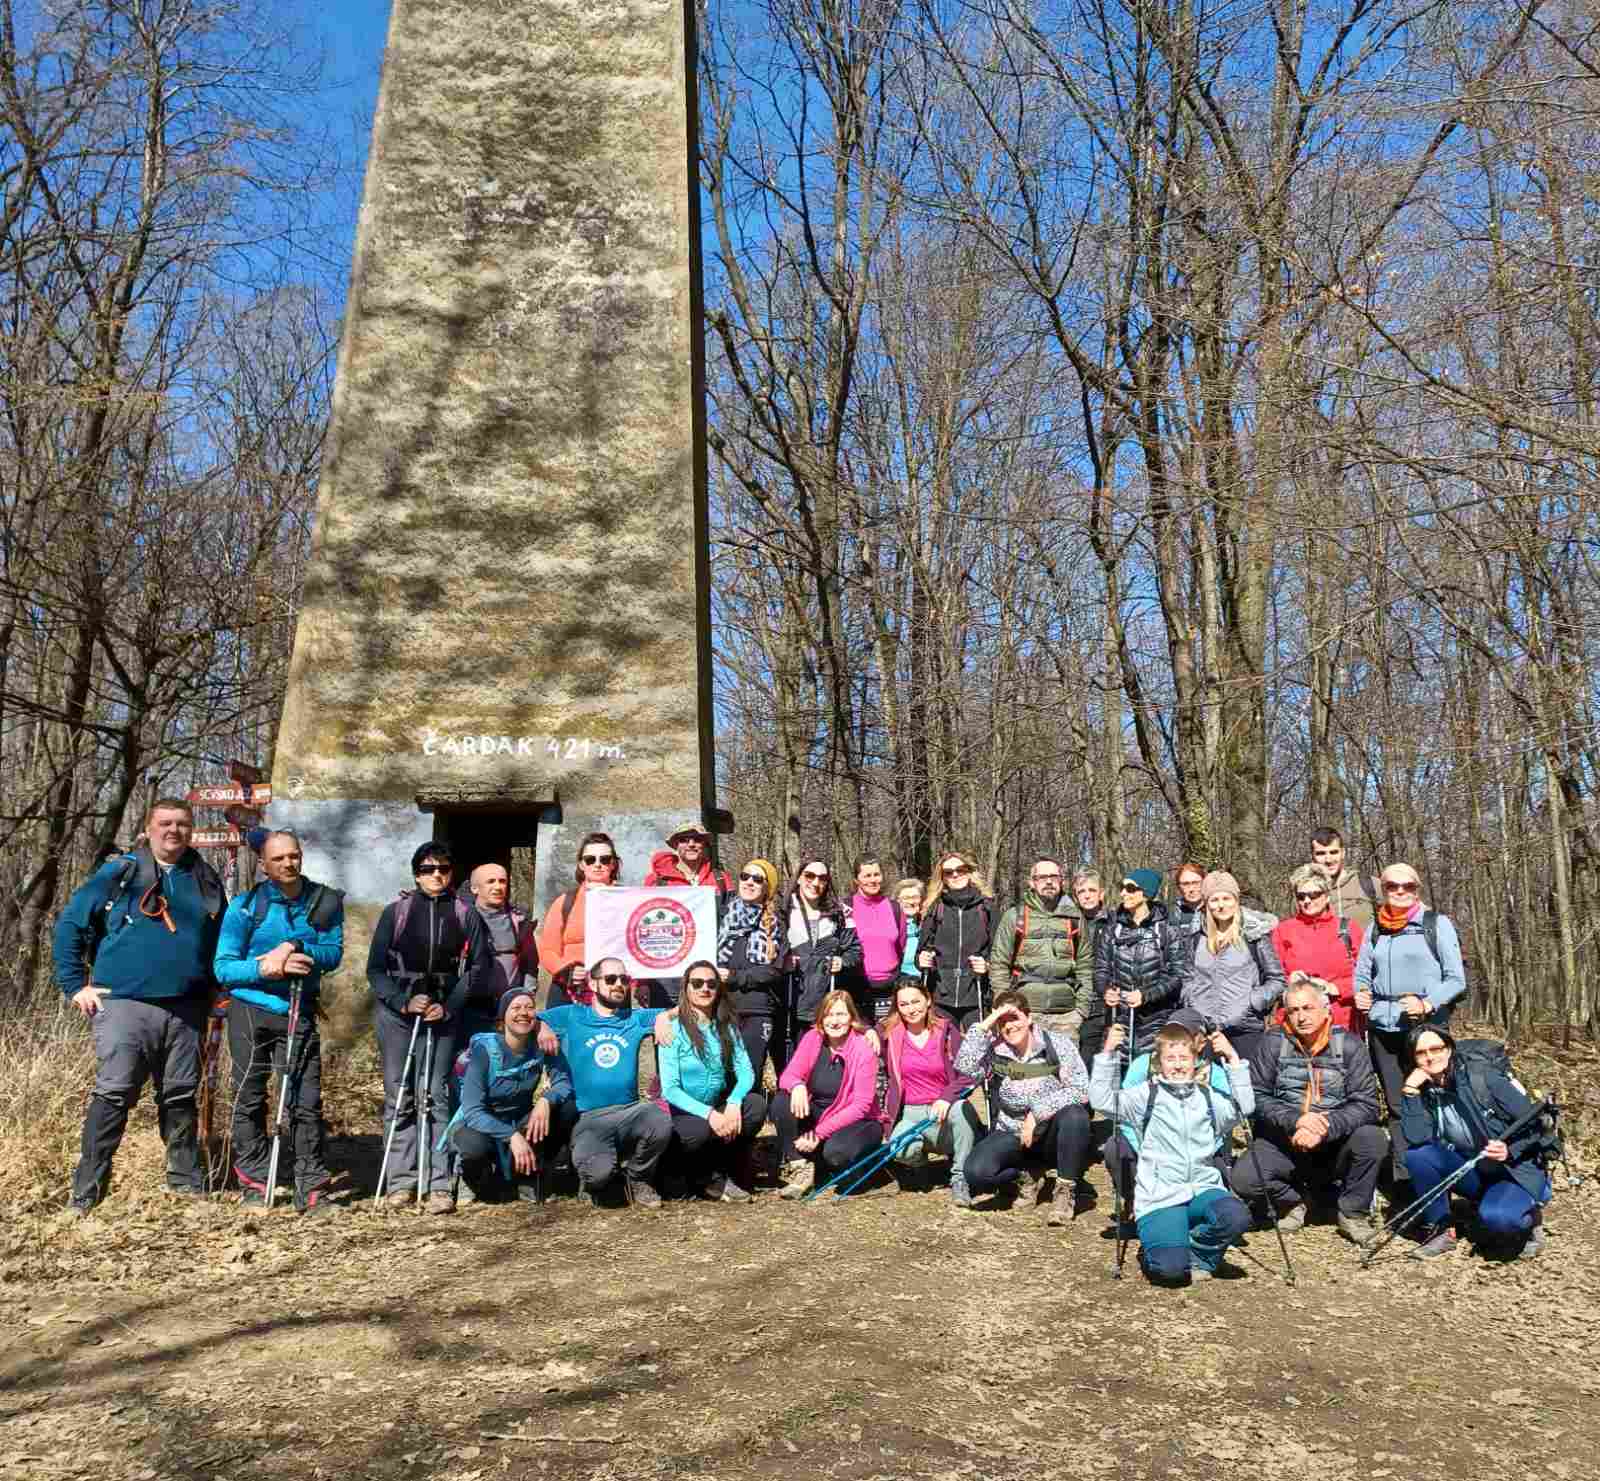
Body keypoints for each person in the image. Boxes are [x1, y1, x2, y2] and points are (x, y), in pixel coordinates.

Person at [53, 798, 228, 1216]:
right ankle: (87, 1194)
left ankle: (185, 1184)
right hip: (124, 1004)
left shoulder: (203, 877)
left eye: (182, 824)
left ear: (191, 830)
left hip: (186, 1009)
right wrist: (76, 985)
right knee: (114, 1094)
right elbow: (70, 927)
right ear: (148, 828)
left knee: (181, 1096)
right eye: (165, 823)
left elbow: (221, 939)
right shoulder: (119, 873)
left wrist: (218, 992)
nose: (174, 831)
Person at [213, 830, 345, 1213]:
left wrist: (298, 947)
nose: (289, 864)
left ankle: (312, 1187)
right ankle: (254, 1182)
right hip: (250, 1011)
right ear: (263, 865)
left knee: (306, 1102)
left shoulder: (324, 901)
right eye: (279, 859)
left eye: (294, 856)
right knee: (249, 1098)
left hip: (299, 1009)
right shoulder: (245, 906)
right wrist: (266, 968)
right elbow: (224, 968)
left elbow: (333, 953)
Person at [366, 842, 494, 1212]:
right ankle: (400, 1181)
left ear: (452, 873)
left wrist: (450, 1005)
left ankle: (439, 1183)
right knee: (400, 1095)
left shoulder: (465, 913)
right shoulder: (397, 912)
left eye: (443, 868)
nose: (435, 875)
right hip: (398, 1014)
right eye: (427, 869)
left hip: (443, 1015)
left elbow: (477, 968)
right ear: (416, 873)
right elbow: (375, 969)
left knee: (436, 1095)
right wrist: (402, 1001)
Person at [1090, 1020, 1254, 1283]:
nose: (1177, 1065)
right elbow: (1102, 1100)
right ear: (1159, 1062)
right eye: (1170, 1058)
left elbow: (1244, 1108)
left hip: (1202, 1188)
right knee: (1171, 1271)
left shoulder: (1208, 1096)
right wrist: (1108, 1054)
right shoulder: (1146, 1096)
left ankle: (1200, 1254)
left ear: (1195, 1059)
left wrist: (1233, 1058)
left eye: (1184, 1058)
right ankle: (1158, 1245)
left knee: (1236, 1216)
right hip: (1160, 1196)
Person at [1229, 976, 1385, 1242]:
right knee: (1244, 1179)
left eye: (1308, 1008)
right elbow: (1257, 1095)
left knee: (1373, 1139)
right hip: (1286, 1139)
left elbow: (1367, 1104)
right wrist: (1297, 1120)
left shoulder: (1349, 1044)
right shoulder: (1273, 1042)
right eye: (1294, 1010)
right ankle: (1292, 1202)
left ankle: (1352, 1213)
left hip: (1334, 1142)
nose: (1301, 1017)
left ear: (1326, 1010)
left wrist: (1325, 1126)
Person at [1354, 863, 1467, 1189]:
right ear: (1384, 891)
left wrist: (1427, 1004)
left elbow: (1455, 979)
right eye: (1392, 886)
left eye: (1407, 887)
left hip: (1425, 1029)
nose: (1400, 892)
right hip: (1383, 1028)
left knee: (1434, 1098)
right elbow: (1363, 974)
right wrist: (1363, 995)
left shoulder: (1435, 924)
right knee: (1398, 1104)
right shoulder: (1375, 928)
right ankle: (1407, 1181)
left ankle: (1444, 1179)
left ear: (1416, 890)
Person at [533, 957, 677, 1206]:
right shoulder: (572, 1015)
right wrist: (541, 1028)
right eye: (610, 979)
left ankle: (638, 1178)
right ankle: (598, 1173)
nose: (619, 984)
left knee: (660, 1120)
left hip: (630, 1112)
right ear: (593, 982)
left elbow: (678, 1012)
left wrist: (664, 1016)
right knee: (597, 1175)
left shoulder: (633, 1018)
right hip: (589, 1119)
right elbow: (529, 1017)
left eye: (624, 979)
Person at [1399, 1025, 1550, 1260]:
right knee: (1418, 1155)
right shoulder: (1425, 1089)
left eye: (1436, 1048)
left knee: (1499, 1220)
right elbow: (1417, 1138)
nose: (1429, 1057)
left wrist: (1509, 1150)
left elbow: (1539, 1124)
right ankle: (1442, 1231)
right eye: (1420, 1053)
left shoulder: (1482, 1078)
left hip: (1514, 1170)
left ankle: (1532, 1214)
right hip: (1474, 1167)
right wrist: (1409, 1091)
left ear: (1449, 1049)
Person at [954, 990, 1094, 1224]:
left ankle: (1065, 1192)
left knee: (1076, 1116)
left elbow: (1081, 1089)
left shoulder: (1056, 1044)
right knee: (977, 1173)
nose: (1009, 1026)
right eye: (1002, 1022)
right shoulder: (994, 1050)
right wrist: (987, 1023)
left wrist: (1036, 1114)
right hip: (1011, 1131)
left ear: (1029, 1018)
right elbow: (964, 1066)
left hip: (1051, 1133)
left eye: (1015, 1018)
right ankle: (1026, 1177)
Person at [446, 986, 575, 1205]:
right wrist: (512, 1136)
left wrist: (545, 1100)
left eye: (529, 1007)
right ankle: (473, 1178)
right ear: (502, 1018)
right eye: (515, 1008)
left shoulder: (542, 1045)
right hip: (479, 1123)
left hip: (520, 1118)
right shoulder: (484, 1051)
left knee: (567, 1109)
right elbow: (473, 1110)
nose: (523, 1013)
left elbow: (563, 1083)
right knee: (473, 1145)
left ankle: (528, 1175)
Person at [659, 961, 767, 1201]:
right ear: (686, 988)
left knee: (755, 1106)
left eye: (711, 983)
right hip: (683, 1113)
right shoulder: (672, 1029)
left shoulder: (726, 1026)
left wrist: (734, 1102)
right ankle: (700, 1176)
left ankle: (728, 1169)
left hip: (717, 1106)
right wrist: (710, 1114)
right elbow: (670, 1089)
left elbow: (746, 1071)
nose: (704, 989)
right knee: (699, 1131)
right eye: (696, 983)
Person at [877, 975, 979, 1206]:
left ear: (928, 1000)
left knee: (962, 1109)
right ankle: (922, 1168)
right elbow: (867, 1030)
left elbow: (969, 1073)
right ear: (898, 1007)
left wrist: (946, 1098)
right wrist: (872, 1032)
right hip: (910, 1112)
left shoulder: (945, 1030)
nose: (911, 1009)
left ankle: (960, 1178)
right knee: (900, 1149)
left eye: (916, 1001)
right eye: (904, 1004)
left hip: (945, 1109)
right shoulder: (890, 1034)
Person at [774, 990, 883, 1199]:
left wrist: (819, 1133)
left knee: (836, 1153)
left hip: (857, 1121)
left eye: (841, 1014)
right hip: (819, 1113)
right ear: (821, 1018)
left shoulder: (863, 1048)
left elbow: (861, 1105)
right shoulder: (813, 1038)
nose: (834, 1021)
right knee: (781, 1101)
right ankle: (801, 1167)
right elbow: (788, 1076)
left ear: (852, 1018)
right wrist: (797, 1085)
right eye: (829, 1015)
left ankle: (861, 1165)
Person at [1178, 869, 1284, 1065]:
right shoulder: (1195, 938)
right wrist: (1192, 1000)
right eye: (1214, 900)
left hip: (1246, 1030)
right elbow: (1187, 977)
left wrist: (1253, 1002)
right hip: (1206, 1031)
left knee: (1245, 1088)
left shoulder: (1254, 936)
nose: (1221, 905)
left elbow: (1277, 980)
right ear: (1206, 904)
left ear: (1236, 900)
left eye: (1226, 898)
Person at [1083, 868, 1185, 1059]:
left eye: (1130, 888)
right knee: (1115, 1078)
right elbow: (1101, 969)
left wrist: (1146, 995)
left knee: (1149, 1077)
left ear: (1145, 894)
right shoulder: (1112, 929)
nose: (1123, 893)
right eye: (1122, 888)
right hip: (1118, 1020)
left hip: (1157, 1020)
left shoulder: (1167, 930)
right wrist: (1105, 990)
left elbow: (1178, 975)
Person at [989, 856, 1094, 1041]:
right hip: (1025, 1013)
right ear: (1032, 882)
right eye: (1042, 877)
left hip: (1066, 1017)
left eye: (1054, 877)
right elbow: (999, 964)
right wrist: (1005, 1006)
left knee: (1065, 1069)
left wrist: (1081, 1011)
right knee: (1027, 1068)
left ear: (1062, 881)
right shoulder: (1015, 917)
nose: (1048, 882)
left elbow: (1085, 966)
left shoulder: (1075, 918)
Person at [1271, 864, 1364, 1032]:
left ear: (1327, 896)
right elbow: (1272, 978)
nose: (1307, 901)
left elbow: (1366, 976)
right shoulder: (1283, 931)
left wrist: (1334, 988)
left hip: (1340, 1022)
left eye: (1314, 895)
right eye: (1301, 896)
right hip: (1297, 1025)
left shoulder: (1347, 928)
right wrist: (1289, 982)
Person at [721, 859, 788, 1086]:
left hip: (756, 1010)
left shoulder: (775, 923)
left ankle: (750, 1119)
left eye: (758, 879)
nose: (749, 882)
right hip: (721, 1006)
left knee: (749, 1076)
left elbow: (774, 970)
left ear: (767, 887)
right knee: (722, 1076)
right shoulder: (722, 915)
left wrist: (735, 977)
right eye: (745, 876)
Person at [780, 860, 862, 1042]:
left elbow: (855, 950)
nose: (815, 883)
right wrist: (782, 960)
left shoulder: (839, 913)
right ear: (799, 878)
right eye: (809, 876)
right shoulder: (783, 910)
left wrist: (843, 961)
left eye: (822, 878)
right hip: (788, 1002)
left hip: (824, 1005)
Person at [539, 831, 621, 1007]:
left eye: (604, 859)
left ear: (613, 864)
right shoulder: (565, 902)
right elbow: (547, 949)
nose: (597, 865)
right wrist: (566, 970)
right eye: (590, 859)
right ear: (581, 865)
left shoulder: (627, 901)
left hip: (614, 989)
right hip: (569, 990)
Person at [917, 850, 994, 1026]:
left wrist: (987, 964)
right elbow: (920, 953)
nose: (955, 874)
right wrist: (922, 960)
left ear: (969, 872)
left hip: (976, 995)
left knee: (976, 1050)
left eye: (960, 869)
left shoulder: (987, 907)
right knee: (943, 1050)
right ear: (943, 878)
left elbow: (998, 953)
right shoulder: (935, 908)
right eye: (949, 872)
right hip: (941, 995)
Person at [464, 862, 538, 1037]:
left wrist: (526, 996)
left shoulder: (519, 921)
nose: (498, 887)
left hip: (510, 1009)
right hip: (470, 1007)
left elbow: (530, 962)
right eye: (491, 881)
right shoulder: (462, 918)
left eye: (502, 881)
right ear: (475, 888)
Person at [849, 856, 907, 1023]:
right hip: (858, 988)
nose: (873, 880)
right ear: (856, 880)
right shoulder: (846, 908)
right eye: (867, 876)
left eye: (876, 874)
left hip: (890, 988)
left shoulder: (894, 908)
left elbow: (901, 947)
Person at [1310, 827, 1377, 934]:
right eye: (1321, 853)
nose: (1328, 860)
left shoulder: (1370, 885)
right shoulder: (1306, 893)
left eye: (1333, 852)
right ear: (1312, 856)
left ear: (1343, 853)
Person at [644, 820, 734, 894]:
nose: (691, 844)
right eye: (684, 840)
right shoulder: (657, 880)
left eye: (697, 840)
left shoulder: (721, 878)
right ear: (676, 845)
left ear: (704, 845)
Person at [895, 878, 926, 978]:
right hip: (898, 982)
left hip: (924, 981)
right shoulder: (891, 927)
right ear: (897, 901)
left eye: (915, 897)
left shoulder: (928, 924)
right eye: (906, 898)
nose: (911, 901)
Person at [1171, 862, 1206, 934]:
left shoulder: (1215, 909)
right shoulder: (1170, 913)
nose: (1191, 889)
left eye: (1196, 883)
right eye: (1185, 884)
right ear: (1179, 887)